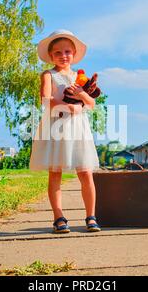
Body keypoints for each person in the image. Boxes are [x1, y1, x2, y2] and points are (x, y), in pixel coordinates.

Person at [29, 29, 101, 234]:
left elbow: (92, 103)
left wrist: (82, 98)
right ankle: (58, 216)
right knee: (55, 171)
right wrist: (67, 106)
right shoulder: (48, 75)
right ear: (51, 56)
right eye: (58, 52)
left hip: (78, 127)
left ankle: (91, 216)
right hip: (56, 126)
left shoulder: (80, 78)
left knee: (86, 171)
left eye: (67, 51)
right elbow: (46, 99)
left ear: (74, 54)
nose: (63, 56)